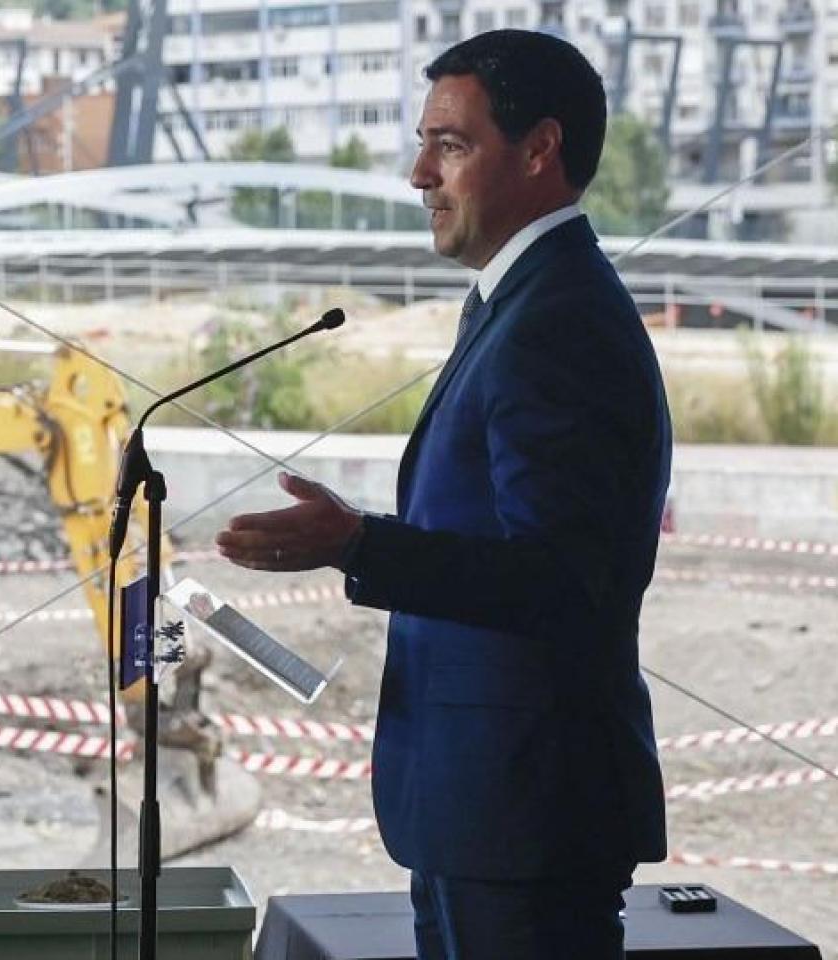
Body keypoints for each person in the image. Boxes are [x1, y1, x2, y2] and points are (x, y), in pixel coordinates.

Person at [215, 30, 671, 960]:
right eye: (423, 144)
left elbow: (563, 577)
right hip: (487, 809)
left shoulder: (558, 321)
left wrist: (358, 544)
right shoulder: (520, 300)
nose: (420, 175)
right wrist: (359, 538)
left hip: (527, 812)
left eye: (451, 145)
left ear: (539, 149)